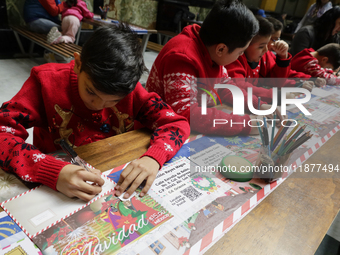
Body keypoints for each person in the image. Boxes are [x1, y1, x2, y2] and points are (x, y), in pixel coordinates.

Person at [0, 25, 190, 201]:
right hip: (54, 182)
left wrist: (154, 157)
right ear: (77, 64)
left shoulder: (133, 92)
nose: (98, 105)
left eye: (114, 100)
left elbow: (177, 123)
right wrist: (50, 170)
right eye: (91, 91)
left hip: (108, 166)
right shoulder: (45, 83)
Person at [146, 0, 263, 137]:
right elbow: (187, 112)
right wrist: (243, 124)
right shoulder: (181, 57)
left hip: (185, 127)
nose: (241, 56)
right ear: (221, 49)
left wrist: (258, 105)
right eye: (240, 52)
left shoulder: (212, 52)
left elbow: (226, 86)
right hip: (155, 130)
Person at [226, 16, 311, 105]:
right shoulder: (234, 59)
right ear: (245, 44)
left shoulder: (261, 55)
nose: (266, 49)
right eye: (262, 46)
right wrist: (276, 96)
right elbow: (240, 86)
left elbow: (275, 81)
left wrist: (283, 58)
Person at [266, 17, 326, 87]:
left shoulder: (269, 54)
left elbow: (286, 73)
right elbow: (271, 81)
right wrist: (296, 84)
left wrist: (310, 78)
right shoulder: (262, 55)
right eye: (274, 39)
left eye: (277, 39)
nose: (276, 43)